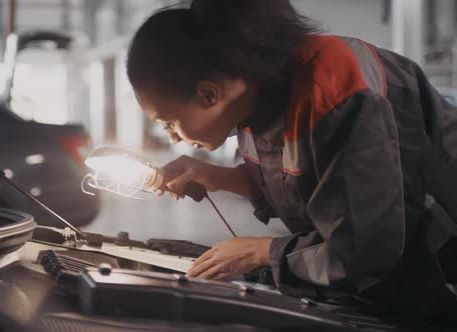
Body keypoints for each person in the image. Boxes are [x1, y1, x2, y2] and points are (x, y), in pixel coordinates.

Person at [126, 0, 457, 318]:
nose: (172, 137)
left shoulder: (336, 92)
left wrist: (260, 251)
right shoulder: (259, 94)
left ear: (210, 94)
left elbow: (365, 249)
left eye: (169, 122)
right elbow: (304, 181)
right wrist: (217, 176)